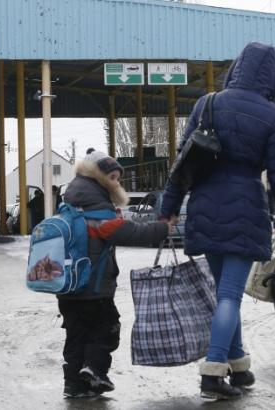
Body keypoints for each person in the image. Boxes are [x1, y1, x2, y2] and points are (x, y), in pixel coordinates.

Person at [160, 42, 275, 399]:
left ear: (237, 68)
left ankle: (239, 367)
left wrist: (167, 211)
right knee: (229, 295)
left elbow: (180, 166)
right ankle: (213, 374)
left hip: (203, 206)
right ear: (274, 78)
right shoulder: (273, 116)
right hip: (245, 210)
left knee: (225, 293)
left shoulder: (207, 103)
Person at [59, 150, 173, 399]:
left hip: (67, 289)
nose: (117, 183)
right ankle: (94, 370)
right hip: (95, 288)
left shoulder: (69, 205)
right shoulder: (98, 210)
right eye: (112, 177)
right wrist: (162, 228)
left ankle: (73, 384)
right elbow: (129, 232)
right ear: (98, 178)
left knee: (76, 335)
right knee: (106, 329)